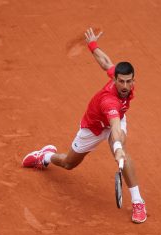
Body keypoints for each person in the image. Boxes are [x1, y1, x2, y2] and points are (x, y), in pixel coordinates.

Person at [22, 28, 147, 224]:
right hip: (95, 126)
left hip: (116, 119)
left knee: (122, 151)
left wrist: (92, 45)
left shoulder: (124, 81)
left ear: (133, 81)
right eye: (121, 81)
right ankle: (44, 156)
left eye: (128, 81)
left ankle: (138, 201)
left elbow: (106, 63)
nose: (124, 85)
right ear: (114, 81)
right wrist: (117, 145)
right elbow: (113, 124)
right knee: (68, 163)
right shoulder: (109, 100)